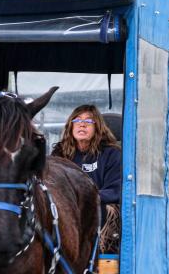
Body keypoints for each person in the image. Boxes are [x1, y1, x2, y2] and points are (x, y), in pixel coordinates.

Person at [51, 104, 122, 252]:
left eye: (89, 121)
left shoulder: (112, 153)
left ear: (98, 127)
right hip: (66, 209)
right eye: (77, 120)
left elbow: (115, 190)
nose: (82, 124)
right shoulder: (59, 153)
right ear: (71, 126)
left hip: (97, 208)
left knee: (105, 210)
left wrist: (86, 197)